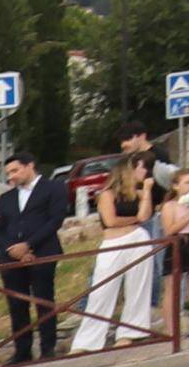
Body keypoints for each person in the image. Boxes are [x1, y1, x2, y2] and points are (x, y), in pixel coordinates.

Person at [68, 144, 165, 351]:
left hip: (138, 239)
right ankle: (87, 341)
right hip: (114, 241)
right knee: (102, 291)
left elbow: (145, 216)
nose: (144, 172)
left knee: (138, 287)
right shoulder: (107, 193)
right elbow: (110, 220)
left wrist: (147, 192)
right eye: (140, 168)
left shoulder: (138, 193)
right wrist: (133, 219)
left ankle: (132, 332)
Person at [0, 155, 66, 367]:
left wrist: (30, 245)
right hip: (12, 257)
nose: (11, 177)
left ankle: (47, 347)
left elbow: (55, 219)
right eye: (9, 173)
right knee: (16, 304)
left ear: (30, 166)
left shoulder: (53, 188)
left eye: (15, 171)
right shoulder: (6, 198)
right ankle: (22, 350)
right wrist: (11, 249)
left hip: (43, 251)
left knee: (44, 299)